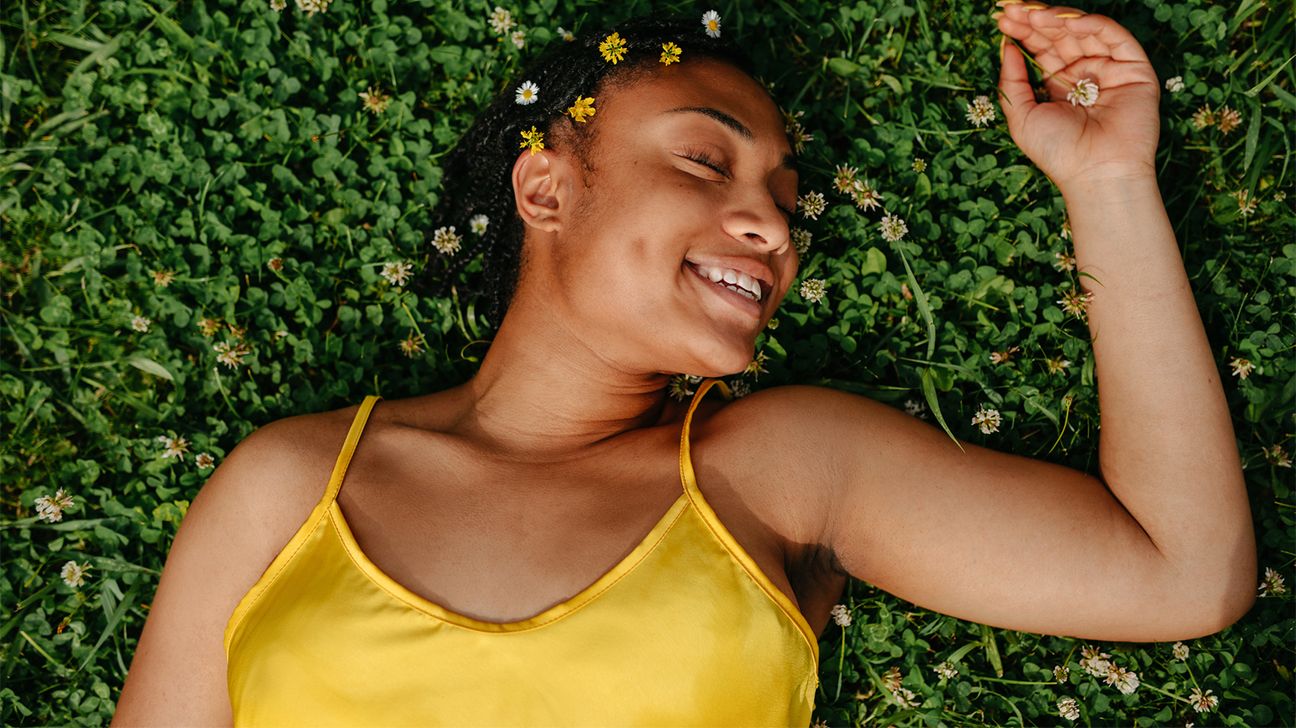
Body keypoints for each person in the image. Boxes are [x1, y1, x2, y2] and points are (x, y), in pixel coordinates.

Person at [111, 5, 1256, 726]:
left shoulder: (781, 468)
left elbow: (1180, 573)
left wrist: (1107, 186)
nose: (771, 224)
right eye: (706, 162)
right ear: (546, 186)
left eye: (786, 201)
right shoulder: (292, 483)